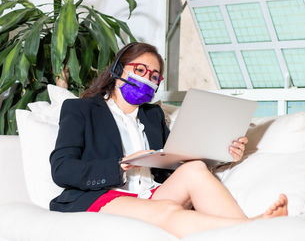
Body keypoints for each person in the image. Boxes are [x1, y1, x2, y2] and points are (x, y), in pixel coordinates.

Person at [50, 42, 288, 238]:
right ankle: (256, 229)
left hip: (151, 194)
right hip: (104, 195)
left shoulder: (153, 115)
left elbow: (175, 162)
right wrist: (120, 165)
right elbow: (62, 169)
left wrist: (224, 155)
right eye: (140, 70)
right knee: (168, 210)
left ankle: (253, 229)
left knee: (194, 169)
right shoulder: (80, 109)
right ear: (117, 69)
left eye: (154, 76)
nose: (147, 79)